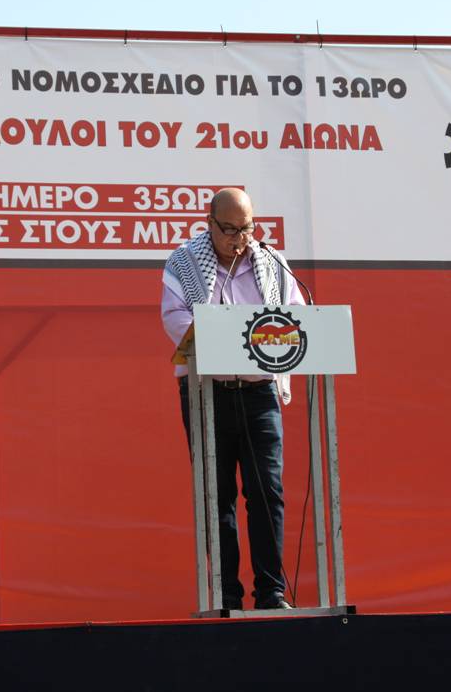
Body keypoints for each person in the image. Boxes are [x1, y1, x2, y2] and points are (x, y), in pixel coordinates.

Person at [160, 187, 304, 610]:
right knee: (216, 495)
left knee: (267, 492)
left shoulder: (273, 263)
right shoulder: (183, 262)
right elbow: (174, 317)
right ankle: (226, 595)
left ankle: (271, 592)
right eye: (229, 230)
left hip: (260, 392)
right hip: (207, 394)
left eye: (246, 229)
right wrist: (218, 335)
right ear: (209, 223)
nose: (239, 239)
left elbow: (295, 316)